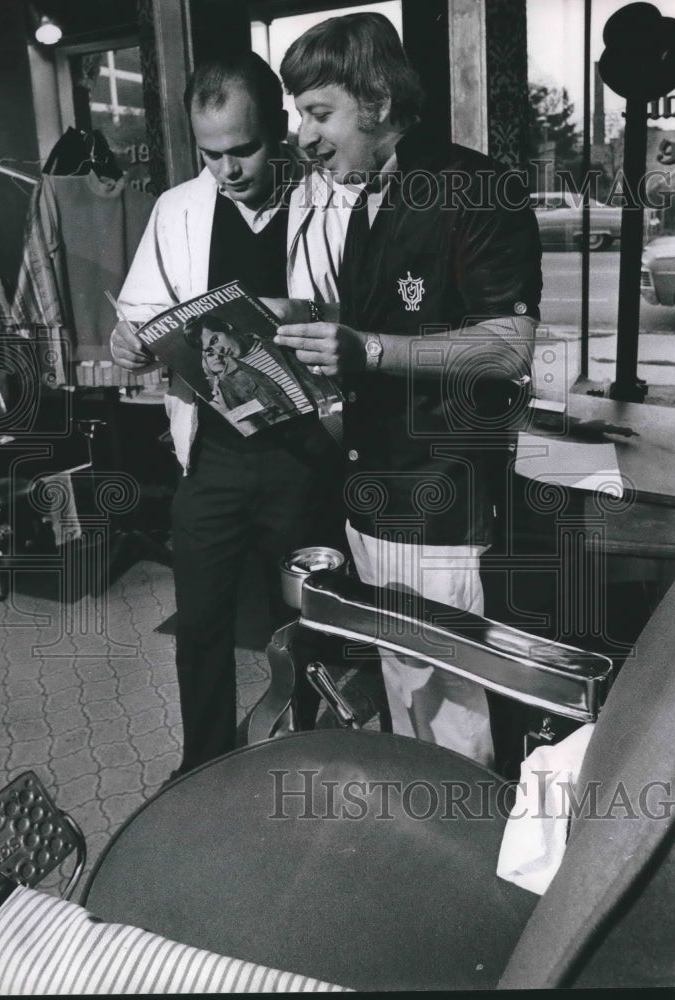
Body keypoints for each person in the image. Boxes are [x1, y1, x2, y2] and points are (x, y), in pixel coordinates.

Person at [274, 12, 543, 767]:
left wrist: (369, 348)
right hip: (374, 492)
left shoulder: (477, 188)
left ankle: (476, 862)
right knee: (404, 681)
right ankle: (430, 853)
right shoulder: (365, 206)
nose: (304, 135)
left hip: (439, 503)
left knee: (457, 703)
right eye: (301, 115)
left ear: (380, 104)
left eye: (319, 113)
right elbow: (376, 352)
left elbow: (508, 346)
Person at [110, 51, 350, 775]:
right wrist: (131, 345)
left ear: (277, 128)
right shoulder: (177, 209)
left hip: (304, 455)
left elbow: (363, 328)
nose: (228, 170)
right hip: (214, 457)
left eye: (242, 149)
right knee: (203, 625)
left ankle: (310, 757)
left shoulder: (332, 203)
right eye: (211, 154)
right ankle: (205, 767)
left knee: (308, 622)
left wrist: (301, 315)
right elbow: (146, 315)